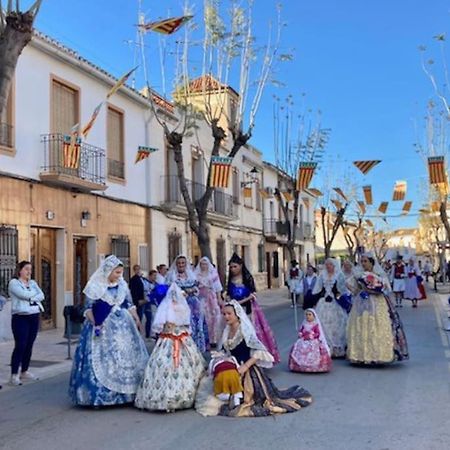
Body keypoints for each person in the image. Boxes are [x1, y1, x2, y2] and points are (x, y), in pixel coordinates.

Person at [195, 301, 312, 417]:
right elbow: (225, 350)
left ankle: (235, 397)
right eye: (224, 314)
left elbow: (259, 350)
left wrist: (245, 366)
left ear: (237, 314)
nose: (226, 316)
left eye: (229, 313)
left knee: (251, 397)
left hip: (246, 367)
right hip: (232, 365)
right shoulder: (227, 330)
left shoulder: (244, 331)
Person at [69, 255, 148, 407]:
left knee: (125, 356)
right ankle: (100, 395)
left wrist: (136, 318)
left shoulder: (123, 285)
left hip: (124, 326)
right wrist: (96, 323)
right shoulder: (95, 286)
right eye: (116, 272)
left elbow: (129, 304)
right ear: (108, 271)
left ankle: (127, 393)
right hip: (103, 327)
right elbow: (88, 308)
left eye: (120, 272)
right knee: (104, 358)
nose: (119, 276)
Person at [135, 283, 206, 412]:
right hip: (169, 338)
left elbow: (186, 323)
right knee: (163, 362)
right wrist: (167, 328)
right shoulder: (166, 307)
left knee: (187, 363)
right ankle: (163, 396)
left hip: (181, 337)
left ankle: (183, 395)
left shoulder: (181, 306)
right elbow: (160, 325)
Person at [346, 254, 409, 365]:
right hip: (362, 301)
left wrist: (375, 288)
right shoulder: (359, 274)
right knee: (361, 324)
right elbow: (350, 285)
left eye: (365, 261)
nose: (363, 263)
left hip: (377, 301)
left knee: (377, 324)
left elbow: (386, 287)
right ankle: (360, 355)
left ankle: (378, 355)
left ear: (371, 262)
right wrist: (360, 289)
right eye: (362, 261)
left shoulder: (380, 274)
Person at [227, 253, 280, 364]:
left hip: (247, 309)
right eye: (231, 267)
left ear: (241, 266)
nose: (233, 269)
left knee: (249, 333)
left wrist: (240, 303)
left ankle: (253, 357)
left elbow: (253, 294)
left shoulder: (247, 278)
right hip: (234, 311)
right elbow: (228, 294)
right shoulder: (230, 279)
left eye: (235, 266)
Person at [8, 261, 45, 386]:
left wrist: (32, 296)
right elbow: (23, 295)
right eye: (26, 269)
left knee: (29, 344)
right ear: (20, 270)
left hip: (33, 316)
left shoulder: (33, 283)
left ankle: (24, 371)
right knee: (21, 345)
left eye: (30, 269)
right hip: (20, 317)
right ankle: (14, 374)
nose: (29, 272)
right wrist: (33, 296)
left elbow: (42, 295)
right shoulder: (14, 283)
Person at [166, 255, 209, 352]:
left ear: (186, 264)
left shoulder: (191, 275)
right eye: (179, 263)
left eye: (183, 263)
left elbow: (197, 288)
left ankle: (196, 349)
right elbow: (169, 291)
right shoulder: (172, 276)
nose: (181, 265)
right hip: (179, 304)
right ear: (176, 265)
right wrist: (180, 293)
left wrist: (192, 290)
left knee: (196, 325)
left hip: (193, 304)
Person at [312, 258, 348, 358]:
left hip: (335, 302)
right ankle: (326, 347)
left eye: (330, 265)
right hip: (324, 302)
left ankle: (337, 349)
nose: (328, 266)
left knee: (337, 325)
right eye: (326, 265)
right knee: (323, 324)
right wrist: (318, 297)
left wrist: (337, 294)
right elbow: (317, 289)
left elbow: (343, 289)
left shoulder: (339, 275)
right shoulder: (322, 275)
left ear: (334, 266)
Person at [288, 308, 332, 373]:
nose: (308, 316)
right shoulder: (304, 324)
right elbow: (301, 331)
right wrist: (301, 334)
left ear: (314, 316)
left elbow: (318, 333)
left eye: (309, 315)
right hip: (304, 340)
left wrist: (312, 336)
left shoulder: (315, 325)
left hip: (313, 341)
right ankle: (300, 365)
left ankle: (313, 366)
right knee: (298, 347)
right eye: (307, 315)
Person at [195, 256, 223, 347]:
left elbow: (218, 287)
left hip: (212, 298)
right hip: (201, 298)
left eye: (205, 264)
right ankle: (205, 339)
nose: (204, 266)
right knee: (204, 318)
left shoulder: (213, 274)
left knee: (215, 317)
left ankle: (214, 339)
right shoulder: (196, 275)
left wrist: (219, 298)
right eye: (202, 264)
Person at [129, 264, 153, 338]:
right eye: (136, 269)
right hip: (139, 301)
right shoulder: (133, 279)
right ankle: (137, 334)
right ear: (134, 270)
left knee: (149, 317)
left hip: (145, 300)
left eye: (139, 269)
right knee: (139, 317)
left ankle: (148, 334)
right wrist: (137, 300)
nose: (138, 271)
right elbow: (133, 291)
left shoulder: (142, 278)